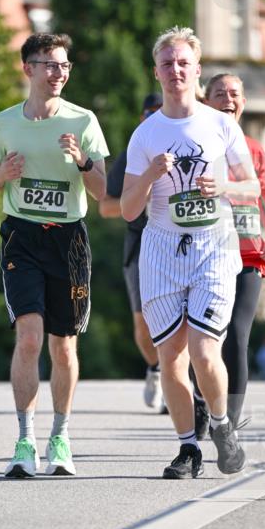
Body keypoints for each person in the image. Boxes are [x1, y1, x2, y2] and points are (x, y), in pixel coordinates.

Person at [121, 27, 259, 480]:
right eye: (167, 63)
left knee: (203, 349)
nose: (175, 70)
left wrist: (225, 186)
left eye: (183, 63)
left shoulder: (221, 124)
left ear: (197, 70)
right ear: (156, 72)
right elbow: (128, 209)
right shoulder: (145, 134)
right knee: (170, 356)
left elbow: (253, 187)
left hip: (213, 246)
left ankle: (221, 425)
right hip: (162, 249)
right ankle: (187, 448)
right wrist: (149, 176)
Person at [0, 32, 108, 478]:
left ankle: (61, 436)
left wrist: (82, 162)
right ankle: (24, 439)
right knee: (30, 337)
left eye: (65, 65)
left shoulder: (83, 120)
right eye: (51, 64)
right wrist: (3, 173)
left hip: (68, 240)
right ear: (28, 68)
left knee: (63, 343)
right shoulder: (5, 122)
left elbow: (102, 190)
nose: (59, 73)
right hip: (22, 235)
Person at [192, 73, 265, 434]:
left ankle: (229, 425)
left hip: (247, 254)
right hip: (207, 253)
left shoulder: (254, 148)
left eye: (235, 94)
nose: (228, 99)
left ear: (243, 102)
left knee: (239, 335)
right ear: (206, 101)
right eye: (220, 93)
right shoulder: (197, 142)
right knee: (205, 338)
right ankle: (201, 405)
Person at [99, 92, 165, 412]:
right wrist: (138, 199)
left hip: (180, 241)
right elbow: (106, 207)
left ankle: (176, 380)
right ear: (142, 118)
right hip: (141, 242)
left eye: (161, 111)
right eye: (150, 113)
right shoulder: (133, 152)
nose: (156, 118)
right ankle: (156, 368)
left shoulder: (188, 141)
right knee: (143, 324)